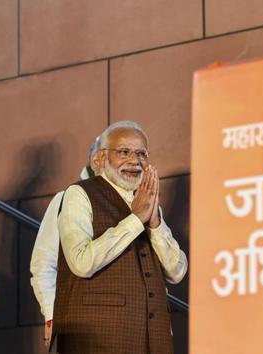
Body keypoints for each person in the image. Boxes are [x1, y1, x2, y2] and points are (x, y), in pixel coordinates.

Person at [53, 121, 188, 353]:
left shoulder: (147, 202)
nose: (134, 161)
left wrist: (154, 223)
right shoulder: (79, 193)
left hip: (153, 340)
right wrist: (136, 220)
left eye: (141, 154)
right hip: (98, 339)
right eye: (124, 152)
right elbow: (81, 262)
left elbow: (177, 272)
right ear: (101, 159)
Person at [30, 136, 101, 347]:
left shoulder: (136, 203)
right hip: (80, 322)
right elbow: (43, 263)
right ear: (96, 160)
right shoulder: (65, 200)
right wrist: (52, 315)